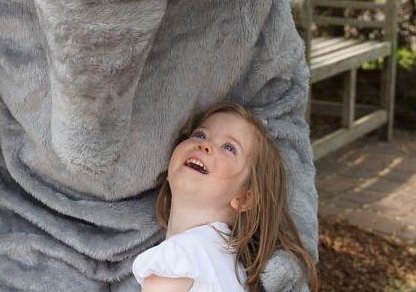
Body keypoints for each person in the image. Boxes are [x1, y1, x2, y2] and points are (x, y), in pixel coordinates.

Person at [133, 102, 318, 292]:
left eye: (229, 148)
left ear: (244, 198)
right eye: (200, 134)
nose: (205, 145)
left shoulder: (175, 261)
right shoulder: (231, 266)